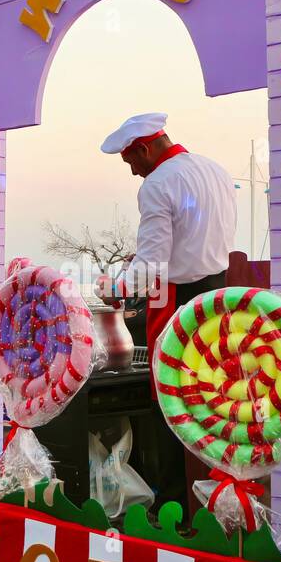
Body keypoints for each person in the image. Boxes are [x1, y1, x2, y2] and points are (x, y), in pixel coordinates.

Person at [97, 113, 238, 507]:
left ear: (143, 149)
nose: (134, 174)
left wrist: (115, 288)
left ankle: (170, 505)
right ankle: (222, 497)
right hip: (216, 300)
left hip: (177, 302)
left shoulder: (158, 184)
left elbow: (152, 268)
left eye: (131, 163)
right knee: (212, 400)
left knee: (169, 406)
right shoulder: (215, 169)